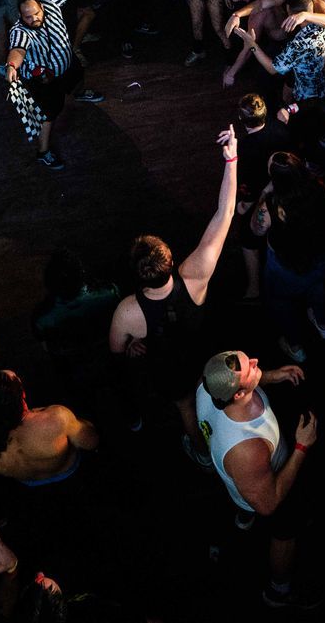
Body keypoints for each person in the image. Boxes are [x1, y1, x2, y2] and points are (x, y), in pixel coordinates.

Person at [109, 128, 241, 463]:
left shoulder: (128, 311)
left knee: (185, 407)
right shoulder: (195, 276)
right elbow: (224, 214)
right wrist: (231, 160)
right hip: (200, 350)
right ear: (170, 260)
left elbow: (117, 349)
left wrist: (131, 344)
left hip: (168, 366)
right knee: (208, 388)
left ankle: (201, 451)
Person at [194, 348, 318, 607]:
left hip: (243, 481)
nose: (255, 361)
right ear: (239, 394)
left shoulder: (208, 387)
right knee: (285, 530)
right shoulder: (246, 448)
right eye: (249, 367)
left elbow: (237, 383)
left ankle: (243, 514)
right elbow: (269, 502)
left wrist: (270, 376)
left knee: (243, 495)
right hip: (264, 486)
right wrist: (301, 447)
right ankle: (278, 590)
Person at [2, 0, 102, 169]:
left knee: (78, 75)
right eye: (28, 17)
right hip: (45, 78)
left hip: (67, 63)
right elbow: (17, 50)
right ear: (21, 16)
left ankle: (79, 93)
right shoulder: (19, 30)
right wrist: (11, 66)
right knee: (49, 114)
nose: (34, 19)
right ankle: (43, 152)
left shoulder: (50, 2)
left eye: (36, 13)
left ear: (41, 6)